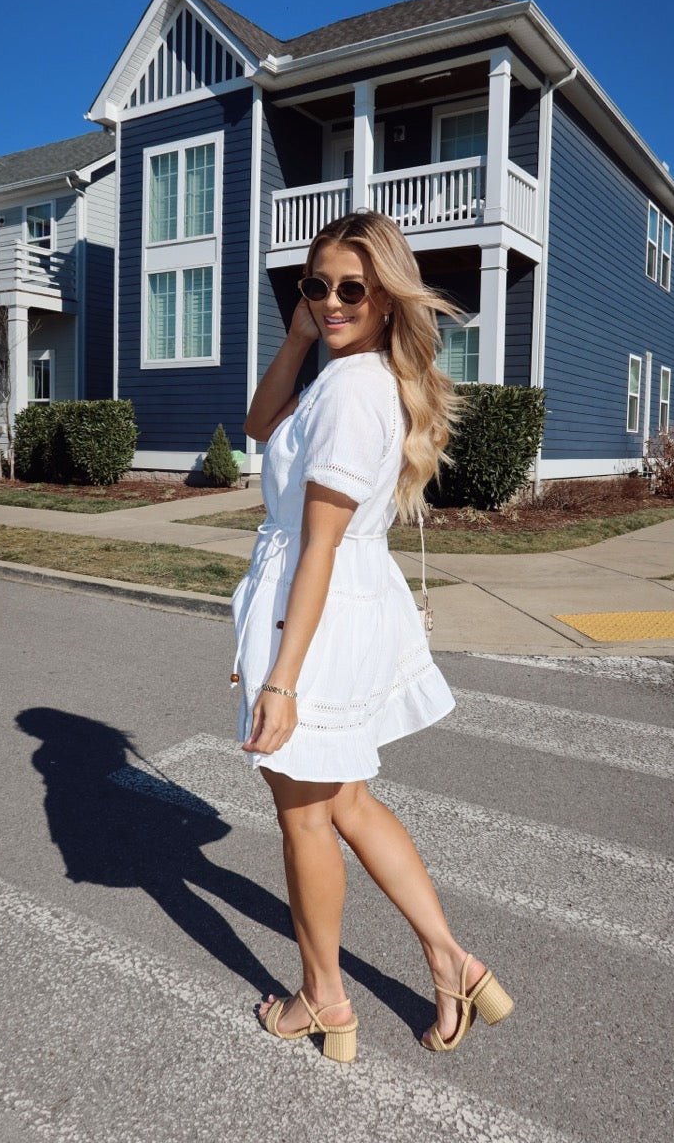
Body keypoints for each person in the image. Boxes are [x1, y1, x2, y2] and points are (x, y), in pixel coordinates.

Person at [231, 211, 513, 1062]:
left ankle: (323, 1001)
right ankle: (451, 961)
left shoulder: (354, 391)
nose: (331, 301)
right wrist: (296, 336)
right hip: (341, 604)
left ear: (387, 297)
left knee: (306, 820)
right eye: (315, 286)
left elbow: (316, 542)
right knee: (346, 801)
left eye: (351, 288)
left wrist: (280, 680)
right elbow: (256, 426)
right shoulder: (346, 373)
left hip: (312, 615)